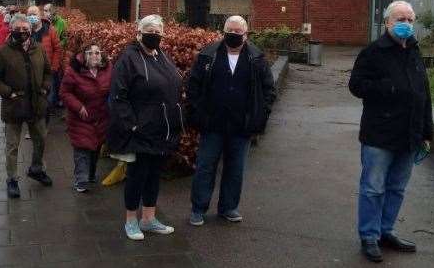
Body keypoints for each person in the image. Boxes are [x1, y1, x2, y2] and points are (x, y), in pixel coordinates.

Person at [348, 0, 433, 263]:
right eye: (400, 19)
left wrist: (427, 133)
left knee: (396, 188)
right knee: (373, 188)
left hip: (409, 135)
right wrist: (386, 88)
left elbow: (424, 94)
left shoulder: (415, 51)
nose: (406, 24)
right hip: (380, 134)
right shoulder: (373, 52)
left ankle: (386, 231)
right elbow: (356, 85)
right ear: (387, 23)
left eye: (409, 20)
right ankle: (369, 236)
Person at [187, 15, 276, 226]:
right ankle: (198, 209)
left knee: (235, 169)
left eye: (238, 32)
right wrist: (198, 113)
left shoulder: (256, 58)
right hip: (212, 124)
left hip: (241, 126)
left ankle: (228, 208)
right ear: (223, 31)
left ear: (246, 35)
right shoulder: (208, 55)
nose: (234, 35)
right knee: (205, 167)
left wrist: (260, 116)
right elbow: (193, 86)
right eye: (230, 31)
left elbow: (268, 90)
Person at [108, 14, 184, 241]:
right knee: (137, 176)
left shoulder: (162, 56)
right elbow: (118, 96)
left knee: (153, 175)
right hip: (140, 131)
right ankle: (131, 221)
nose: (154, 34)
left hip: (162, 129)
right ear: (139, 33)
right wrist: (132, 125)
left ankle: (149, 219)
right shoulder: (129, 58)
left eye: (158, 30)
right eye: (149, 30)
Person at [0, 13, 54, 198]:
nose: (22, 32)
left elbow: (48, 72)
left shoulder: (38, 49)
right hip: (14, 106)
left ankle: (37, 169)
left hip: (37, 105)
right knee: (12, 146)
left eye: (26, 29)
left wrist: (45, 89)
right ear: (11, 30)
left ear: (31, 31)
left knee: (40, 140)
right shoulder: (2, 52)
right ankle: (12, 180)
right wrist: (8, 92)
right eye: (18, 29)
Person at [59, 43, 112, 192]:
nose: (94, 56)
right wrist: (78, 106)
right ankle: (81, 181)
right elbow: (64, 93)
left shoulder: (108, 69)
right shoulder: (73, 71)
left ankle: (90, 174)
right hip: (80, 118)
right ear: (83, 55)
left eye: (97, 53)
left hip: (100, 117)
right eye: (90, 53)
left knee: (95, 147)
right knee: (82, 149)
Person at [33, 6, 63, 115]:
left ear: (39, 15)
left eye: (34, 14)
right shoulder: (25, 30)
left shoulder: (50, 29)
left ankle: (46, 114)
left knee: (49, 95)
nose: (32, 16)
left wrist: (54, 66)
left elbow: (57, 48)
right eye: (30, 14)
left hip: (48, 69)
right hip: (31, 70)